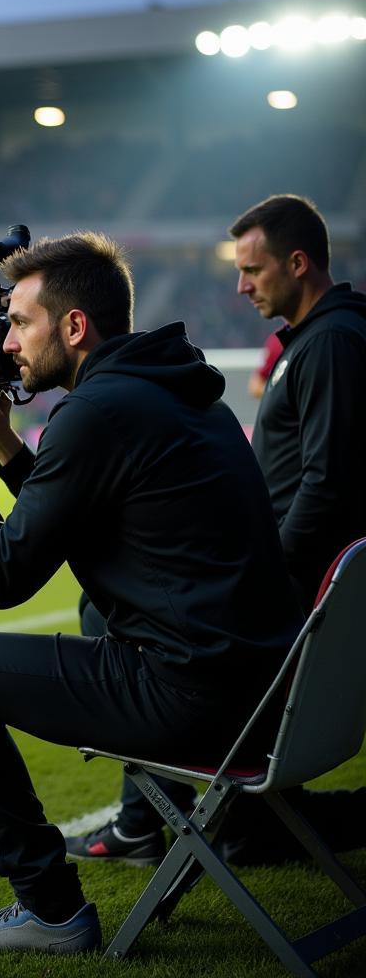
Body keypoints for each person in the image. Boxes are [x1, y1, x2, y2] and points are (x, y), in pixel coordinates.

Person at [0, 232, 302, 954]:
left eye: (21, 324)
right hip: (270, 694)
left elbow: (3, 578)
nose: (8, 345)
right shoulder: (173, 389)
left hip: (195, 699)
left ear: (75, 326)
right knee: (94, 607)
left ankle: (51, 910)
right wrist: (6, 448)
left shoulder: (96, 413)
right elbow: (89, 534)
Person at [67, 194, 366, 866]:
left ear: (298, 262)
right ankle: (152, 818)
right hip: (284, 578)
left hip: (292, 584)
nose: (241, 284)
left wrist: (270, 573)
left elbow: (327, 483)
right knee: (109, 608)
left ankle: (162, 820)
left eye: (254, 270)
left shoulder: (334, 343)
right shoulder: (318, 339)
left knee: (118, 617)